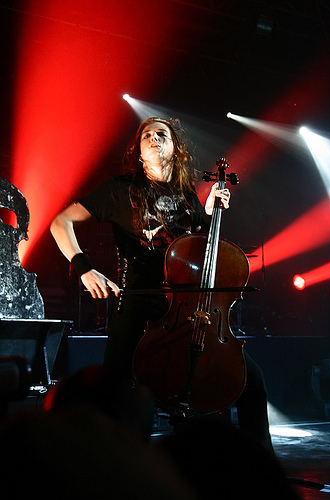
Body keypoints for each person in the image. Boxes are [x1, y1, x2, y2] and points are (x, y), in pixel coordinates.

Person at [50, 116, 273, 452]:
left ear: (175, 150)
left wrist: (209, 212)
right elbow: (60, 222)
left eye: (162, 134)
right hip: (139, 301)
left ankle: (262, 466)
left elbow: (198, 250)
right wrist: (84, 268)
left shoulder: (186, 196)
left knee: (250, 379)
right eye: (147, 136)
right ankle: (123, 464)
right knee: (118, 386)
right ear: (139, 153)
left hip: (184, 307)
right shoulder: (120, 190)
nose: (154, 138)